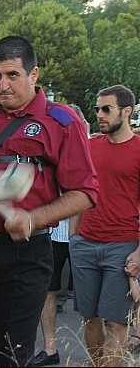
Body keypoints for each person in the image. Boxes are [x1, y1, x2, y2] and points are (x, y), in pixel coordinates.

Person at [0, 36, 98, 367]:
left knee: (9, 356)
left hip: (26, 252)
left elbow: (85, 193)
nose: (2, 85)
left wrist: (32, 218)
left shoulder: (61, 121)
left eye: (12, 75)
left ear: (34, 75)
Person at [70, 84, 140, 367]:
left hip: (122, 246)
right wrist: (74, 237)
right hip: (85, 244)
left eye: (106, 109)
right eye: (98, 109)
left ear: (126, 111)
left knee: (117, 323)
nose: (99, 114)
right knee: (90, 319)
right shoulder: (89, 146)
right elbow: (78, 192)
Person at [32, 103, 89, 366]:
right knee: (49, 291)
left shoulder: (91, 151)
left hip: (83, 237)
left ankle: (102, 353)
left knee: (91, 302)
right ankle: (50, 348)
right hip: (55, 234)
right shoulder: (51, 147)